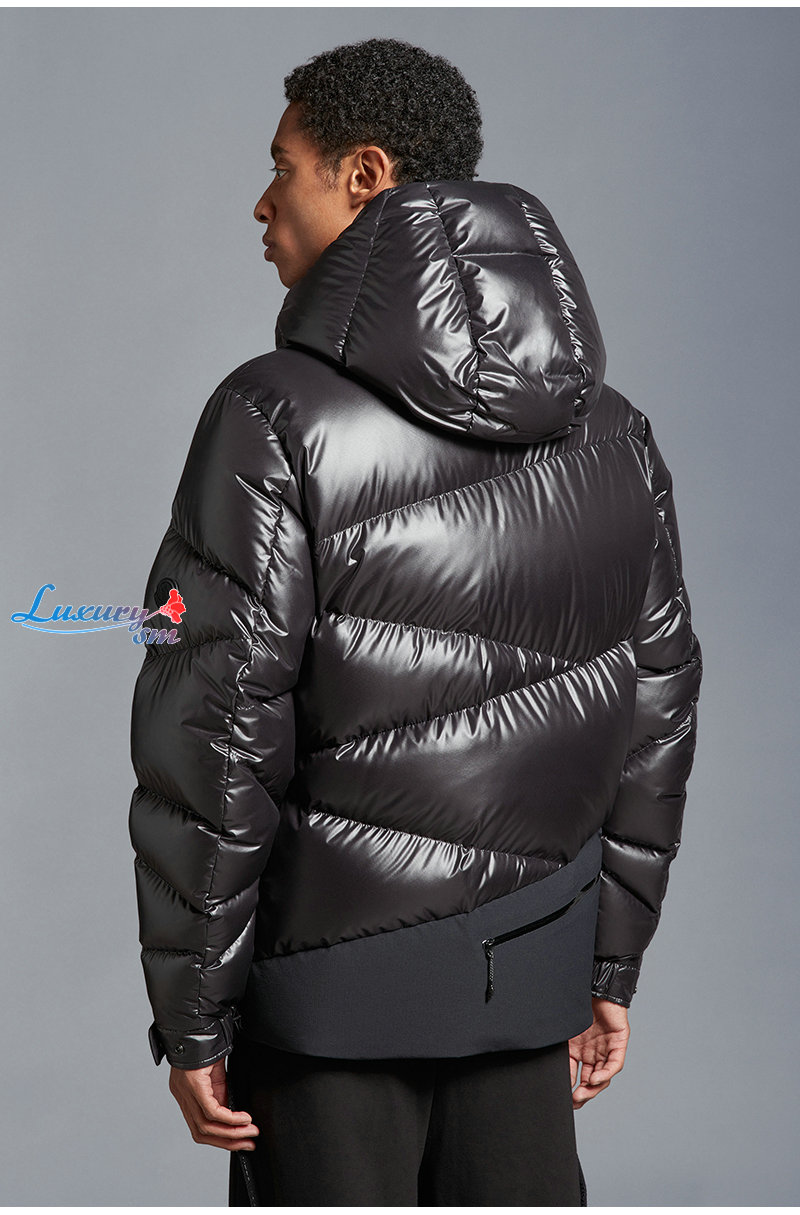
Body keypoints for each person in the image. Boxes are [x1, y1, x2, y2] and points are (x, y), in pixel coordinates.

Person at [127, 37, 703, 1206]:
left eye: (281, 166)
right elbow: (656, 710)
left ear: (364, 174)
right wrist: (604, 964)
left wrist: (193, 1020)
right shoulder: (615, 432)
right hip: (529, 977)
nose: (261, 202)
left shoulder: (272, 416)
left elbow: (217, 734)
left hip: (324, 1005)